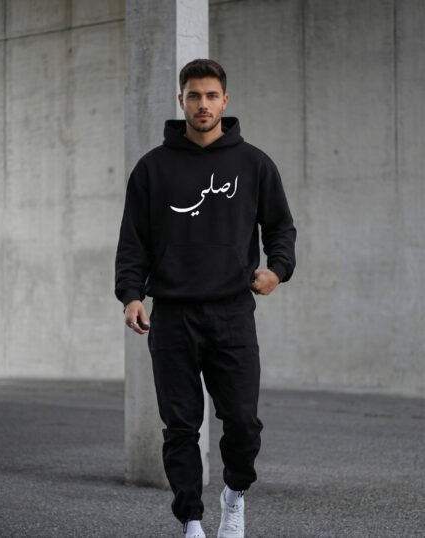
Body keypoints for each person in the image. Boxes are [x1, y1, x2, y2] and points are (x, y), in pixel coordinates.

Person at [114, 58, 296, 538]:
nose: (202, 104)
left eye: (211, 96)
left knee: (243, 423)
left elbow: (281, 227)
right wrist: (131, 295)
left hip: (232, 312)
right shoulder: (153, 168)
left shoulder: (253, 164)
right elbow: (133, 241)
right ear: (181, 100)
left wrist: (277, 270)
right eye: (194, 95)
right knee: (180, 428)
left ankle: (234, 495)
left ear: (225, 101)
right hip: (173, 316)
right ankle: (191, 521)